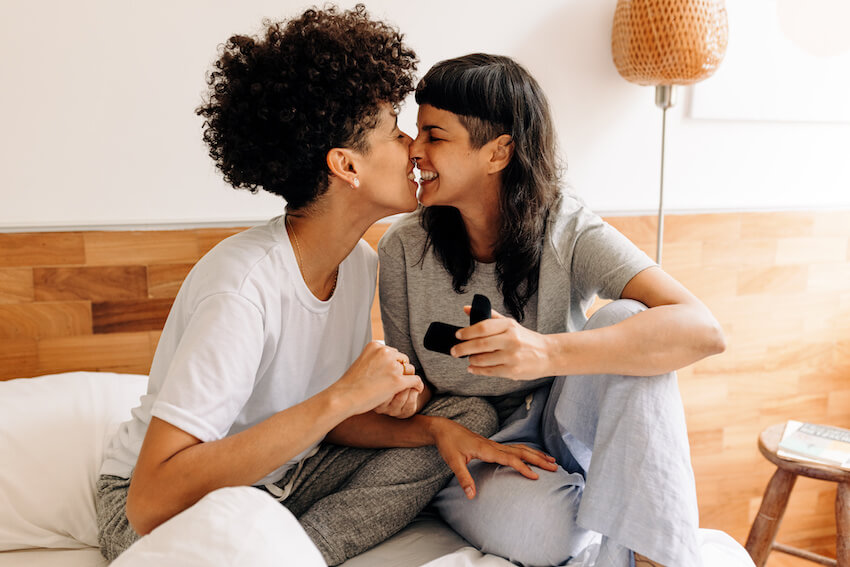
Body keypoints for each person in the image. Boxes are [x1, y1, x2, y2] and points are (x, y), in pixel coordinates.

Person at [96, 14, 555, 566]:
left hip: (284, 474)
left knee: (464, 422)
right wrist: (344, 396)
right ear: (346, 165)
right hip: (157, 507)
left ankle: (298, 550)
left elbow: (321, 421)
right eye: (395, 130)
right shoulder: (243, 289)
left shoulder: (359, 264)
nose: (414, 146)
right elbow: (152, 500)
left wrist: (427, 428)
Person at [378, 53, 727, 567]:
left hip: (564, 421)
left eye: (434, 135)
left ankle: (660, 559)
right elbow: (416, 387)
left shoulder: (564, 226)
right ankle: (629, 530)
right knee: (557, 535)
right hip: (478, 443)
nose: (414, 150)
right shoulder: (402, 248)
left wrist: (545, 351)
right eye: (416, 132)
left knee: (628, 317)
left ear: (498, 153)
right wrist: (403, 398)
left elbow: (703, 329)